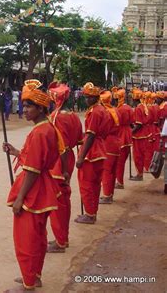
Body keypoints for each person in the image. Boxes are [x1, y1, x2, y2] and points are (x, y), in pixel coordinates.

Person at [3, 79, 64, 290]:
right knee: (37, 237)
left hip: (33, 191)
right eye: (24, 105)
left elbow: (33, 169)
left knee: (27, 239)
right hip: (42, 186)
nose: (25, 110)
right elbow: (34, 159)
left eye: (29, 106)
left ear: (40, 108)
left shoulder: (40, 132)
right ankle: (33, 275)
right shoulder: (46, 127)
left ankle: (29, 283)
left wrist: (20, 198)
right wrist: (15, 152)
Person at [46, 82, 83, 253]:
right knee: (64, 200)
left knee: (58, 202)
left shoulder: (56, 117)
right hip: (68, 157)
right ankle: (63, 237)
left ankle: (61, 240)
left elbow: (58, 144)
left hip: (59, 161)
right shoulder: (74, 116)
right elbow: (78, 139)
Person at [75, 82, 110, 224]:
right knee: (95, 184)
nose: (86, 99)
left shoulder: (95, 111)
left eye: (89, 97)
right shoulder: (102, 109)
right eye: (86, 97)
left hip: (92, 152)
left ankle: (89, 214)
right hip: (100, 149)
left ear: (95, 98)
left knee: (87, 184)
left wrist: (81, 156)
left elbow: (91, 135)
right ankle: (92, 213)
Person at [99, 90, 120, 205]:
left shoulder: (105, 112)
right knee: (112, 171)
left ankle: (107, 196)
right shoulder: (115, 110)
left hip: (107, 143)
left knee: (106, 171)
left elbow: (102, 130)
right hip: (117, 141)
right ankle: (110, 194)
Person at [113, 88, 134, 189]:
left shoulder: (118, 110)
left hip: (121, 134)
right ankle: (119, 180)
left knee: (119, 162)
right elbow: (132, 122)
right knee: (122, 160)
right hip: (128, 134)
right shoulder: (129, 108)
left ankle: (120, 182)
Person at [131, 88, 151, 181]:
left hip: (139, 135)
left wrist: (131, 131)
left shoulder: (138, 108)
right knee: (142, 154)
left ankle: (139, 174)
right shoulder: (143, 106)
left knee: (138, 155)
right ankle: (140, 173)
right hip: (144, 134)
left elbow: (139, 124)